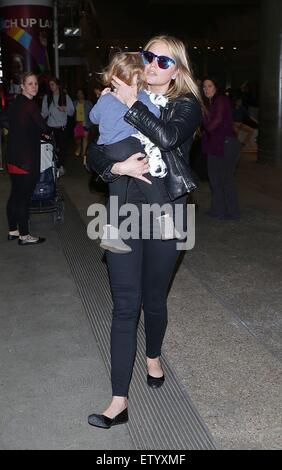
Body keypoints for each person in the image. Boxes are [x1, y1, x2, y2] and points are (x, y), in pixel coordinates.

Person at [86, 35, 202, 429]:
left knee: (154, 299)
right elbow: (94, 150)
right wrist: (116, 168)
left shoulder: (186, 106)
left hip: (169, 216)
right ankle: (119, 400)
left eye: (164, 61)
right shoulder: (118, 97)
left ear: (178, 71)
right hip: (120, 211)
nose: (153, 64)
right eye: (148, 56)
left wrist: (132, 101)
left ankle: (153, 355)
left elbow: (168, 138)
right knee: (123, 304)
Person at [89, 51, 179, 253]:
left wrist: (102, 99)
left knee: (116, 191)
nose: (138, 86)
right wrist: (138, 98)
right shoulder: (139, 96)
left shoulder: (106, 98)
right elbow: (154, 114)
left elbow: (93, 118)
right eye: (137, 81)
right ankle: (164, 220)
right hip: (128, 145)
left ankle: (111, 234)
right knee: (148, 178)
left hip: (109, 149)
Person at [0, 72, 49, 245]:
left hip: (13, 157)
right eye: (30, 83)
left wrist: (18, 132)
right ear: (22, 86)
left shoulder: (15, 103)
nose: (34, 86)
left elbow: (3, 119)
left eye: (35, 83)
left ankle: (13, 231)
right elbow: (44, 127)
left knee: (15, 195)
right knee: (23, 199)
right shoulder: (30, 105)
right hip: (26, 160)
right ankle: (25, 235)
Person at [201, 77, 240, 220]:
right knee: (215, 178)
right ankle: (218, 210)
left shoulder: (221, 100)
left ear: (216, 87)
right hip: (214, 144)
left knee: (225, 179)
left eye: (210, 86)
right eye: (204, 87)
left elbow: (216, 121)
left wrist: (205, 129)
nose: (206, 89)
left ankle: (232, 212)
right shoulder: (209, 103)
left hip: (226, 144)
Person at [41, 77, 74, 176]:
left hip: (62, 128)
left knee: (62, 149)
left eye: (53, 84)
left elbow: (72, 112)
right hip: (51, 127)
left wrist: (65, 108)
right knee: (51, 148)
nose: (51, 86)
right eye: (50, 85)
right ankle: (52, 166)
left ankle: (60, 166)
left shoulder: (65, 96)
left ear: (58, 85)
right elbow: (44, 113)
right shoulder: (47, 97)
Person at [73, 89, 93, 165]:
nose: (79, 95)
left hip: (86, 123)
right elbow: (71, 112)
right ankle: (79, 147)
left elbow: (92, 113)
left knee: (85, 138)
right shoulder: (74, 103)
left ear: (84, 94)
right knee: (78, 139)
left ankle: (83, 153)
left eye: (81, 93)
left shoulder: (88, 103)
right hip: (78, 124)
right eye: (78, 93)